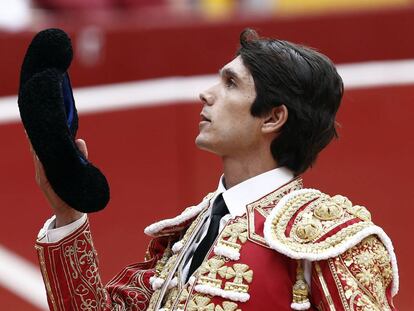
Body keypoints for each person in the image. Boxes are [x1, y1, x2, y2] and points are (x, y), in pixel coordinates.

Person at [33, 29, 398, 310]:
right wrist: (68, 215)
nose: (206, 94)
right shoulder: (186, 236)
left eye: (231, 83)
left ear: (272, 117)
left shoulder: (329, 240)